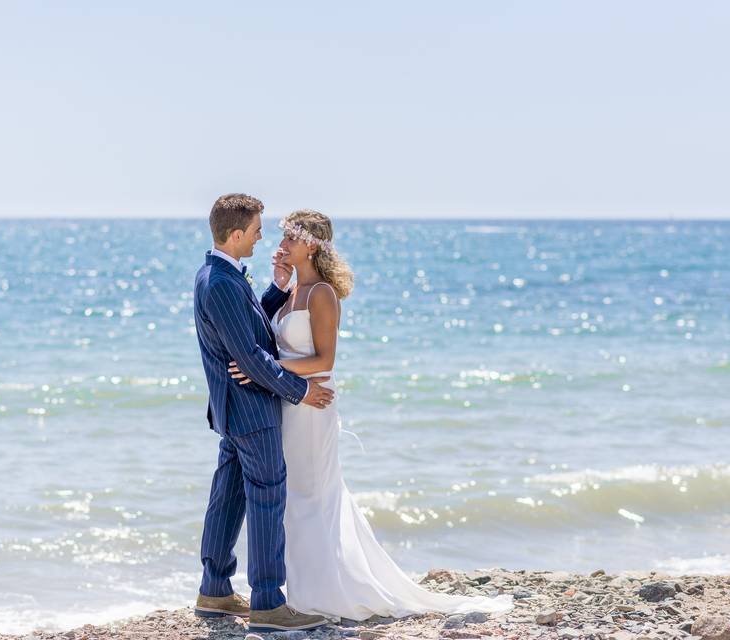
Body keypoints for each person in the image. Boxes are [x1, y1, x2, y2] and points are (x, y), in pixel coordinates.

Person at [228, 209, 514, 621]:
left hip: (312, 408)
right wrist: (276, 293)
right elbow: (270, 341)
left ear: (310, 245)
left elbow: (324, 360)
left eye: (290, 238)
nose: (281, 245)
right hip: (290, 407)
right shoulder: (291, 292)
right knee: (294, 498)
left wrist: (264, 367)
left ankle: (322, 594)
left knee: (312, 496)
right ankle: (303, 589)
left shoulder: (322, 294)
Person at [191, 193, 333, 632]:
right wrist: (300, 390)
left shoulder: (219, 275)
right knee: (268, 498)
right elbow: (251, 358)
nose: (261, 237)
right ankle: (269, 603)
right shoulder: (220, 282)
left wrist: (276, 289)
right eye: (255, 230)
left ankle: (214, 591)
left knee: (228, 498)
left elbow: (250, 325)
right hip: (251, 412)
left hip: (233, 411)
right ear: (236, 234)